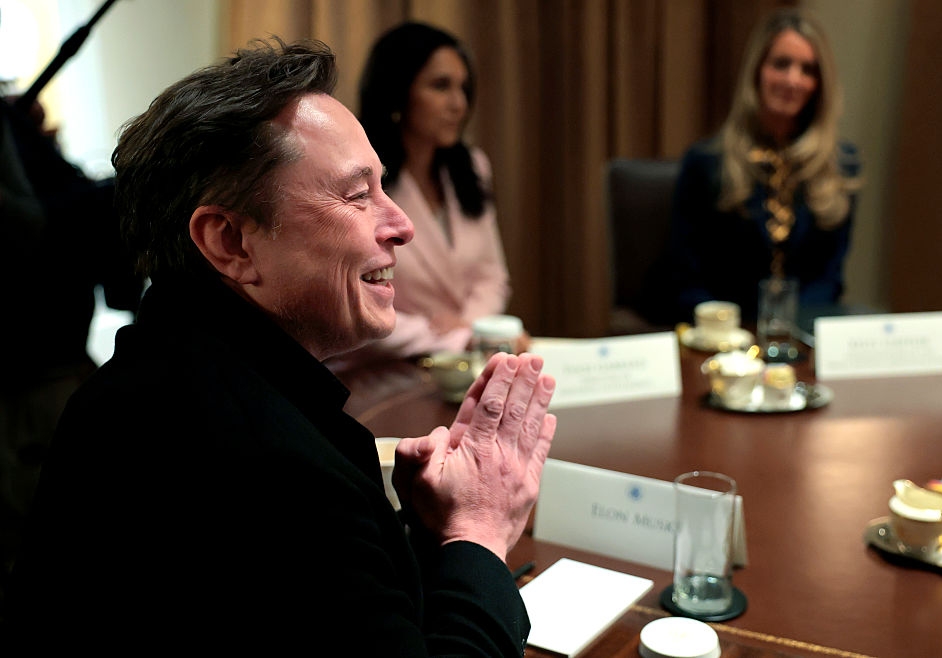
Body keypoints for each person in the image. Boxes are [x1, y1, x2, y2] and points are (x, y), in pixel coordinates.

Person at [3, 37, 556, 655]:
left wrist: (429, 537)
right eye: (357, 195)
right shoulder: (269, 467)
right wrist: (479, 532)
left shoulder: (155, 376)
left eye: (383, 187)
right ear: (230, 242)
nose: (401, 225)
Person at [0, 89, 142, 604]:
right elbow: (25, 230)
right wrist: (114, 193)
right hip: (28, 387)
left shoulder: (14, 125)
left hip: (57, 376)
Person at [648, 8, 861, 325]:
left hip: (802, 336)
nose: (793, 80)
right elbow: (686, 276)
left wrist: (790, 329)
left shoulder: (841, 166)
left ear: (820, 83)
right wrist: (731, 331)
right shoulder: (706, 162)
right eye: (781, 64)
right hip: (723, 337)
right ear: (757, 71)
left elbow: (829, 279)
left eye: (808, 69)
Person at [326, 22, 516, 372]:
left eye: (463, 88)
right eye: (441, 86)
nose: (459, 104)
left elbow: (492, 277)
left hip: (463, 365)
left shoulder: (472, 167)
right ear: (399, 91)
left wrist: (471, 329)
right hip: (381, 373)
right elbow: (349, 300)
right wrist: (454, 338)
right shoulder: (356, 178)